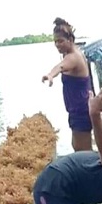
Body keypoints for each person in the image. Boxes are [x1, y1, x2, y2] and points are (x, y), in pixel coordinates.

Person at [42, 17, 93, 152]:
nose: (57, 45)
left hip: (81, 110)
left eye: (61, 41)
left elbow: (60, 67)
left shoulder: (73, 57)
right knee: (78, 146)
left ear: (70, 40)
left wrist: (50, 75)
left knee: (83, 150)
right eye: (55, 41)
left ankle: (90, 172)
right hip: (80, 108)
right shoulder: (75, 53)